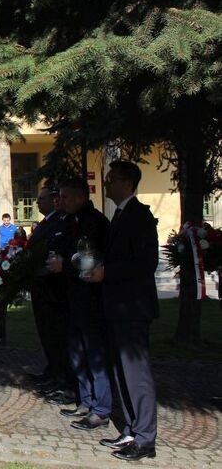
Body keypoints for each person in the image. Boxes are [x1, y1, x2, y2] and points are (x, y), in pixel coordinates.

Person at [89, 161, 158, 461]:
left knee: (136, 374)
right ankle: (131, 429)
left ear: (128, 183)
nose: (107, 182)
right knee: (121, 373)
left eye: (112, 179)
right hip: (117, 306)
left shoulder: (139, 215)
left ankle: (145, 438)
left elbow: (145, 263)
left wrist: (107, 272)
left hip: (132, 308)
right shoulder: (119, 214)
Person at [47, 177, 112, 430]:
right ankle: (86, 401)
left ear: (80, 197)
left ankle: (101, 409)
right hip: (73, 297)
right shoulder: (71, 220)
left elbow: (90, 261)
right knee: (77, 353)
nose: (60, 201)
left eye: (64, 196)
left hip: (90, 299)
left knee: (95, 355)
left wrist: (64, 266)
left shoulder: (94, 222)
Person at [28, 186, 75, 393]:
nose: (37, 202)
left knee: (56, 335)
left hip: (53, 287)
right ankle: (53, 371)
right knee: (47, 334)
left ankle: (61, 376)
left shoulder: (61, 222)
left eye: (41, 198)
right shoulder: (47, 222)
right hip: (41, 285)